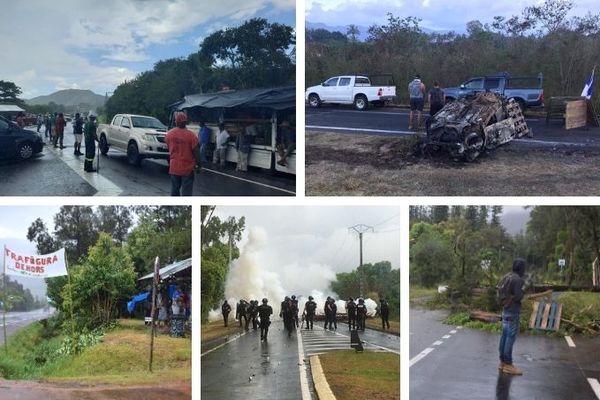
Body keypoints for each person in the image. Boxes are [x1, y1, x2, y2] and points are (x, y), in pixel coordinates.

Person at [498, 258, 526, 375]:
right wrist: (523, 291)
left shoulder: (507, 276)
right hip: (513, 311)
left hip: (505, 310)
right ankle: (508, 364)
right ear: (522, 269)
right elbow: (519, 296)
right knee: (510, 337)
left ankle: (502, 362)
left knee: (504, 336)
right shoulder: (518, 279)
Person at [165, 113, 200, 196]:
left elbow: (168, 145)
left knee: (174, 190)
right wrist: (199, 165)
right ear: (185, 122)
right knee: (186, 193)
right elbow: (196, 152)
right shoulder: (191, 135)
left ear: (176, 122)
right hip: (187, 168)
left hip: (174, 167)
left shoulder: (169, 134)